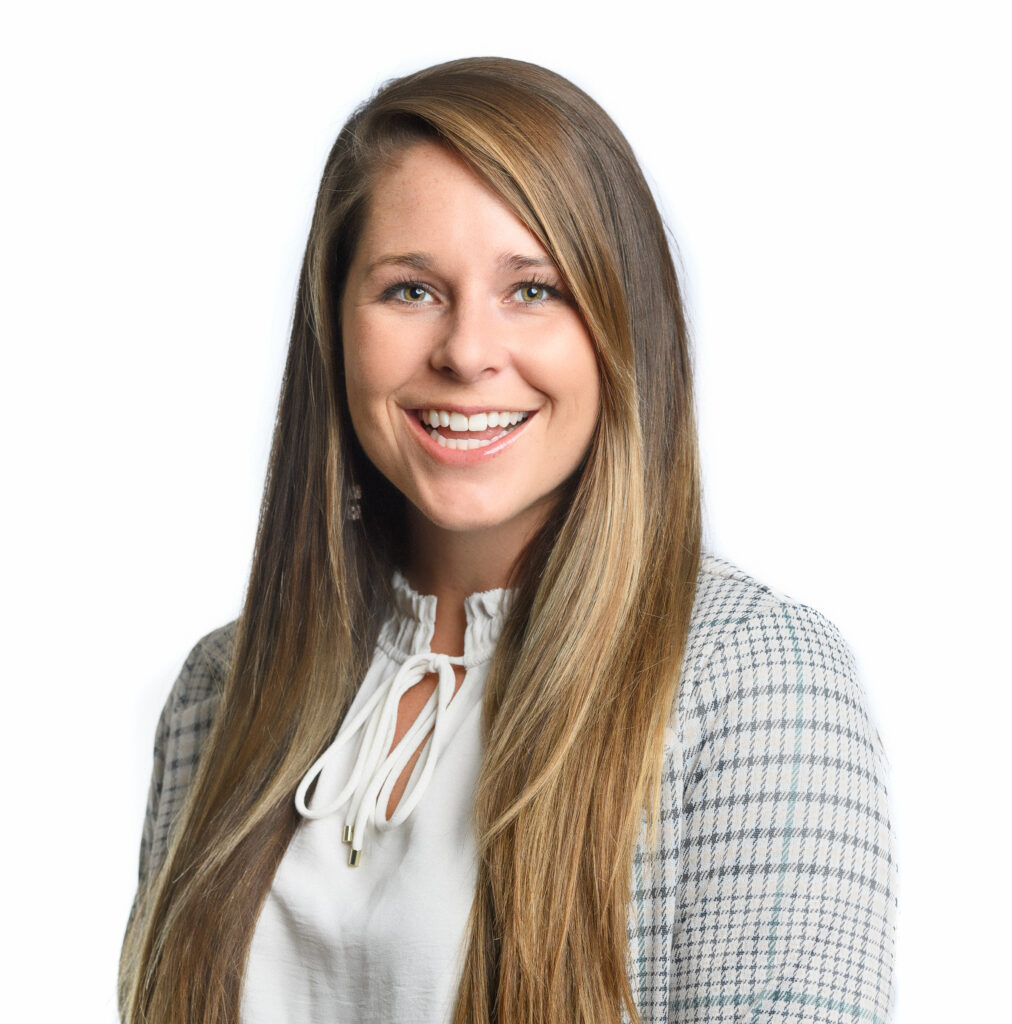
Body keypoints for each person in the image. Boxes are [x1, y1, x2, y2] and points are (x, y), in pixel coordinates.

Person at [119, 58, 896, 1024]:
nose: (468, 350)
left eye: (533, 289)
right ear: (336, 326)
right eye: (410, 291)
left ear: (620, 325)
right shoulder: (219, 692)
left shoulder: (750, 682)